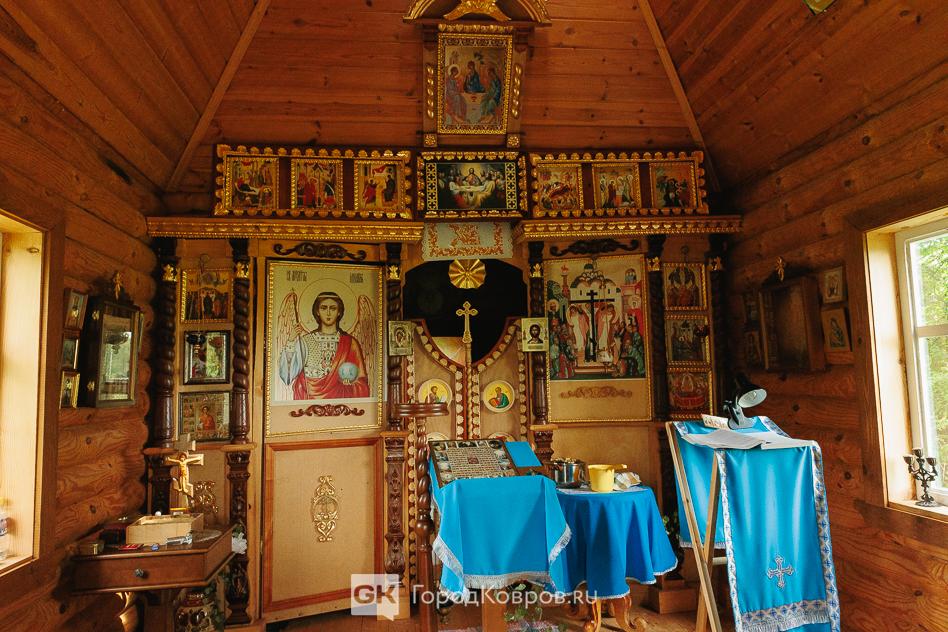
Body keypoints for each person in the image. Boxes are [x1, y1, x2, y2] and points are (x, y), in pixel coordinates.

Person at [278, 292, 370, 400]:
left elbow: (361, 382)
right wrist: (291, 340)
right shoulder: (306, 341)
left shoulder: (349, 343)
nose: (328, 313)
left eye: (333, 308)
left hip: (340, 401)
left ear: (339, 312)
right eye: (323, 308)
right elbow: (287, 376)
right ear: (317, 311)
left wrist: (350, 384)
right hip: (309, 401)